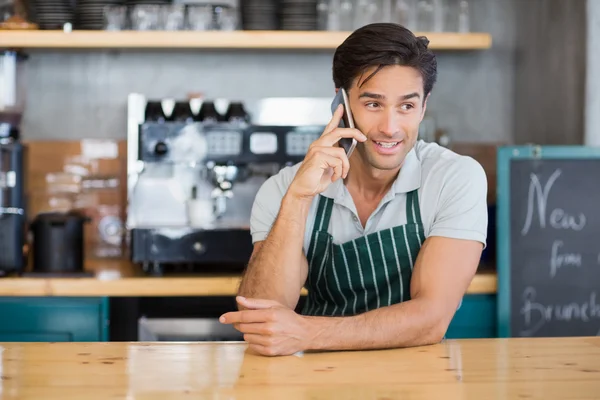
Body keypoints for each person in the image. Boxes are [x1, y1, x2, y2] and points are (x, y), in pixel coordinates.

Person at [219, 22, 488, 356]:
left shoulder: (454, 178)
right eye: (373, 104)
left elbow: (431, 318)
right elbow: (261, 311)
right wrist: (299, 199)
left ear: (424, 105)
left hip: (421, 380)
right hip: (315, 382)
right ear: (341, 102)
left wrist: (307, 333)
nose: (390, 128)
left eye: (406, 106)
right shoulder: (285, 189)